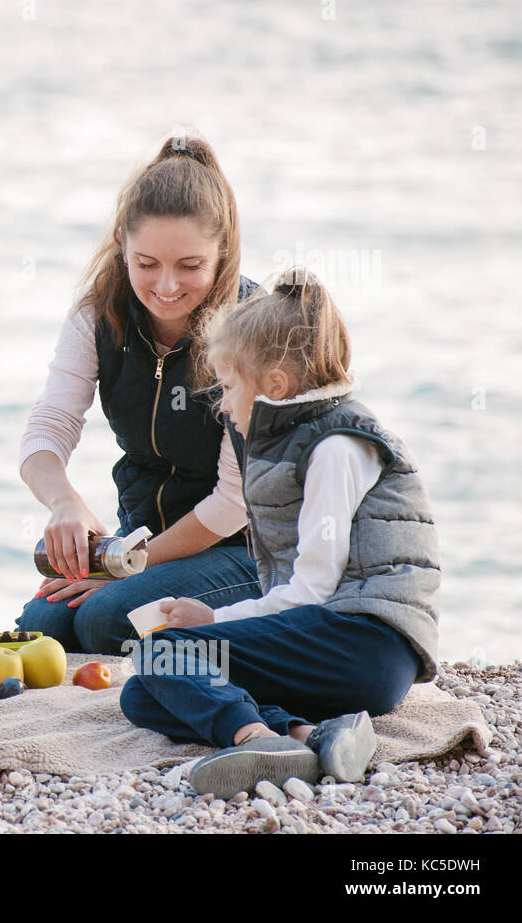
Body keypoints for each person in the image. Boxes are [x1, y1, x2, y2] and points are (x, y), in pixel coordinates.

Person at [119, 266, 441, 797]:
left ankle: (254, 739)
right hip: (340, 648)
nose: (222, 405)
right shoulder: (302, 435)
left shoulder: (336, 446)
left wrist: (214, 618)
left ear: (274, 385)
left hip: (365, 642)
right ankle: (309, 734)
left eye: (226, 387)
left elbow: (312, 589)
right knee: (144, 693)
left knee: (165, 652)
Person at [17, 132, 262, 655]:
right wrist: (66, 503)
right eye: (146, 263)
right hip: (141, 536)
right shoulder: (97, 314)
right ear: (122, 248)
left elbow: (233, 503)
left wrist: (132, 568)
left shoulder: (251, 331)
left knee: (104, 619)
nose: (166, 286)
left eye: (190, 266)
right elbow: (48, 428)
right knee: (43, 625)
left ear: (223, 254)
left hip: (246, 551)